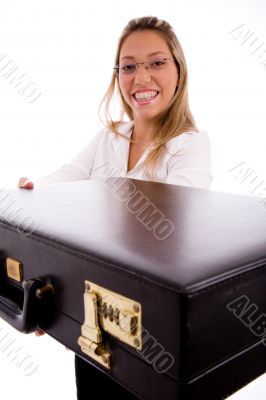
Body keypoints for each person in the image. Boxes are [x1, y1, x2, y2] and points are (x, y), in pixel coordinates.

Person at [18, 15, 212, 399]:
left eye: (156, 62)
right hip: (91, 318)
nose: (141, 78)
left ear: (179, 70)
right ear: (117, 75)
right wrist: (35, 192)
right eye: (128, 66)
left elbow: (164, 228)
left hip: (148, 326)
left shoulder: (191, 145)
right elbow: (67, 176)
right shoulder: (109, 134)